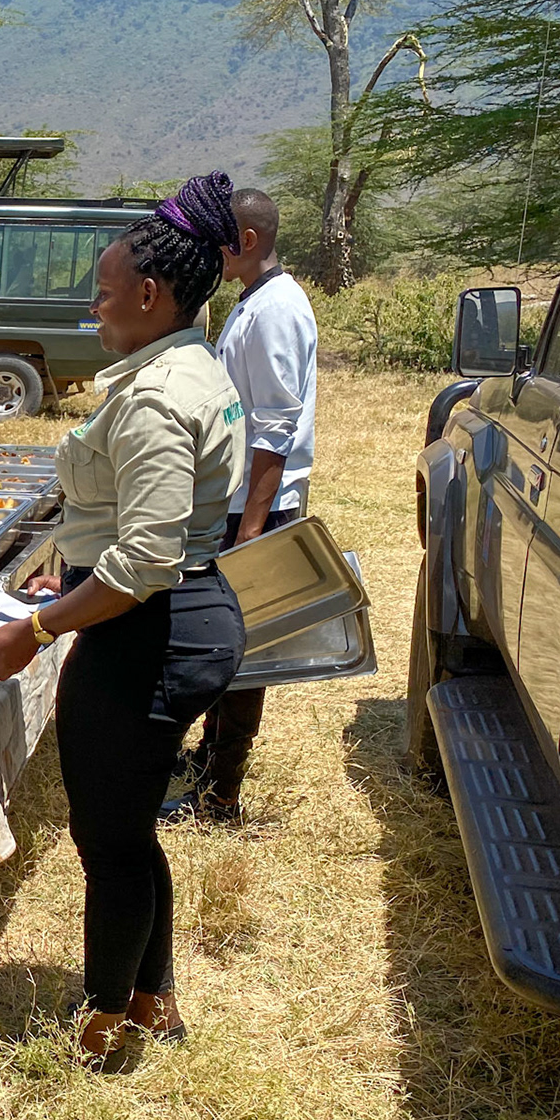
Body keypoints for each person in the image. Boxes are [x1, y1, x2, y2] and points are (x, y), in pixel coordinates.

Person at [0, 173, 249, 1068]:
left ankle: (104, 1024)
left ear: (149, 293)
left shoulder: (160, 397)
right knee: (128, 826)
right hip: (165, 616)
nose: (93, 307)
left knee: (107, 837)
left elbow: (144, 562)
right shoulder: (185, 367)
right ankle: (152, 1000)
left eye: (102, 290)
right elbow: (135, 529)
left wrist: (39, 629)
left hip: (149, 633)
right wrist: (75, 565)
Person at [162, 187, 318, 823]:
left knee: (245, 650)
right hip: (239, 503)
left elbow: (277, 427)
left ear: (246, 241)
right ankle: (209, 757)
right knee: (226, 640)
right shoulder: (254, 301)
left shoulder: (276, 309)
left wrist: (251, 528)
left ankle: (222, 793)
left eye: (216, 239)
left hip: (258, 508)